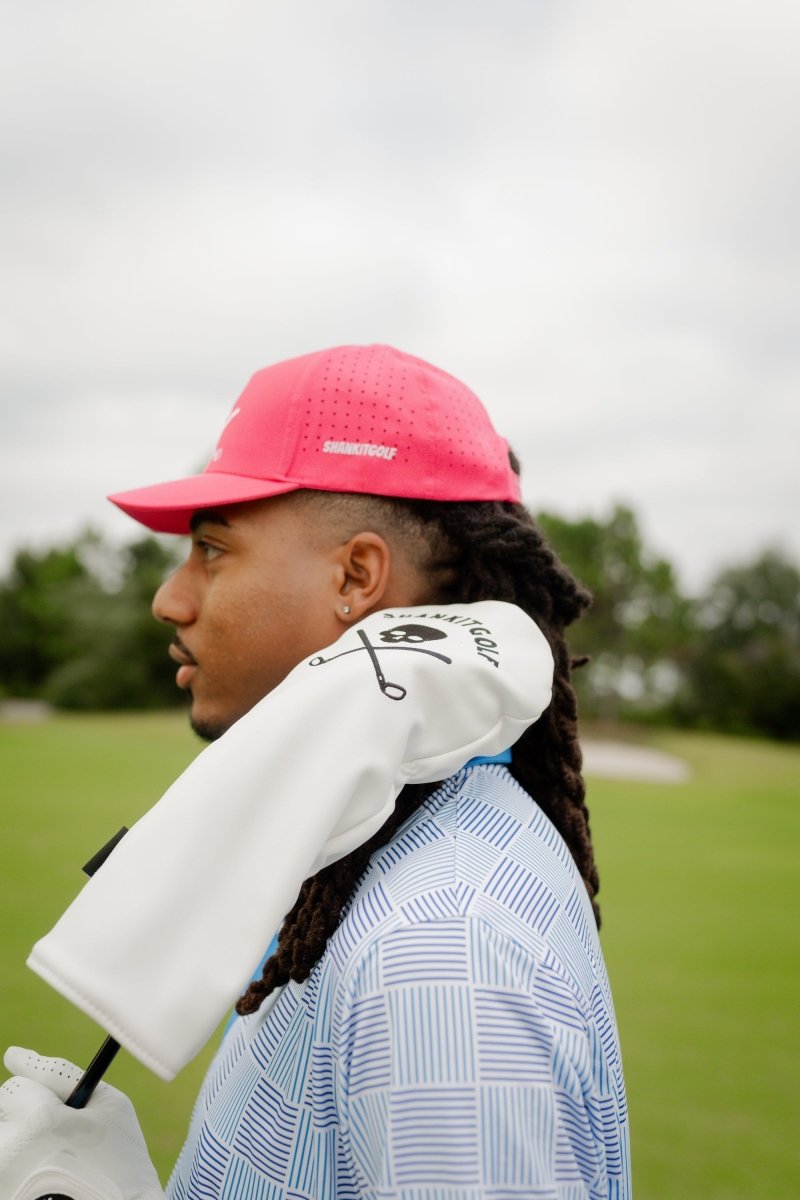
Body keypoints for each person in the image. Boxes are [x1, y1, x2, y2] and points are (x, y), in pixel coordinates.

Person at [2, 344, 630, 1198]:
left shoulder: (440, 946)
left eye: (212, 549)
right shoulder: (369, 831)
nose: (170, 599)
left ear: (356, 575)